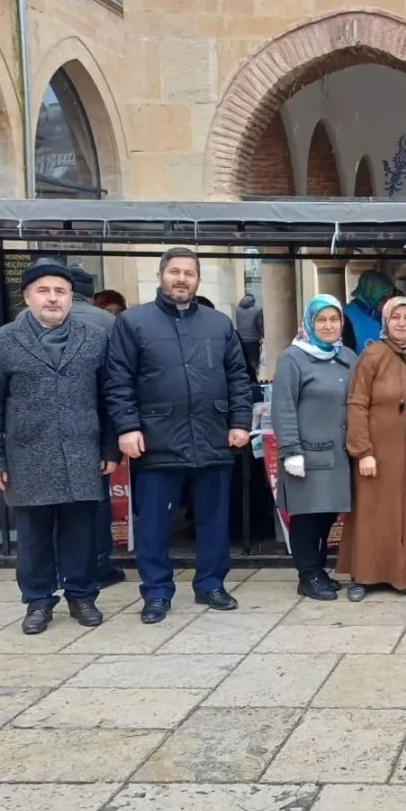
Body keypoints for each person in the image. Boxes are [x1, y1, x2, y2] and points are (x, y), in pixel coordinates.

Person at [105, 247, 253, 625]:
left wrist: (239, 421)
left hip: (212, 436)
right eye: (174, 272)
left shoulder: (219, 324)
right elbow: (118, 380)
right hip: (156, 439)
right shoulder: (133, 323)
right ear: (161, 276)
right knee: (154, 524)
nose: (181, 279)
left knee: (214, 520)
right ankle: (156, 592)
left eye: (189, 273)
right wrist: (127, 426)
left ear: (198, 280)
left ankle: (211, 584)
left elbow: (238, 376)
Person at [0, 262, 118, 634]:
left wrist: (109, 449)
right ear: (27, 297)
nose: (52, 298)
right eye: (44, 291)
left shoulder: (94, 339)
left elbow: (107, 400)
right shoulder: (3, 341)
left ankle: (81, 595)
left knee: (81, 533)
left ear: (72, 299)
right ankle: (38, 602)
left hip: (81, 452)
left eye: (60, 291)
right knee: (35, 538)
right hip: (28, 454)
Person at [341, 296, 406, 601]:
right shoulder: (372, 356)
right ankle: (365, 576)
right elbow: (356, 404)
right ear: (386, 322)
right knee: (373, 513)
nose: (402, 323)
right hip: (378, 452)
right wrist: (362, 451)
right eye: (396, 318)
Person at [270, 295, 355, 601]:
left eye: (334, 320)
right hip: (306, 455)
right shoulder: (294, 358)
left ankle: (319, 570)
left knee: (327, 516)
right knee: (307, 517)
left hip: (339, 456)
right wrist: (291, 449)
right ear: (310, 323)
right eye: (322, 320)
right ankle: (308, 575)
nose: (329, 326)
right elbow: (283, 407)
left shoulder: (347, 355)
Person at [67, 266, 124, 589]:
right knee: (98, 497)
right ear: (90, 293)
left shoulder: (27, 321)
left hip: (48, 427)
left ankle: (63, 564)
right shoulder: (109, 322)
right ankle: (100, 564)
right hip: (99, 421)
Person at [344, 270, 397, 352]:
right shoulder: (345, 317)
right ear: (368, 293)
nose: (387, 302)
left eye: (390, 298)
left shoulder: (386, 315)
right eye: (383, 298)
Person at [235, 292, 264, 384]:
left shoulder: (238, 309)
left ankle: (247, 379)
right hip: (253, 340)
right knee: (254, 361)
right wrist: (262, 335)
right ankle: (254, 379)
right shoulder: (256, 310)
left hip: (241, 339)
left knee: (245, 361)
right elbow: (259, 325)